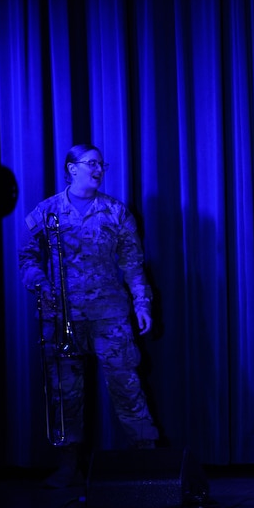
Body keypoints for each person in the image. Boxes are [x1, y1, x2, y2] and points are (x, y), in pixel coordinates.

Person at [18, 144, 159, 488]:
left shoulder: (115, 212)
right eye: (91, 164)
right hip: (63, 318)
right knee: (65, 393)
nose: (98, 170)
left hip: (109, 317)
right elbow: (27, 259)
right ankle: (69, 465)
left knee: (126, 386)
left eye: (101, 164)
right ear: (71, 168)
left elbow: (132, 263)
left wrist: (142, 303)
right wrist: (40, 285)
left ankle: (148, 457)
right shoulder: (48, 211)